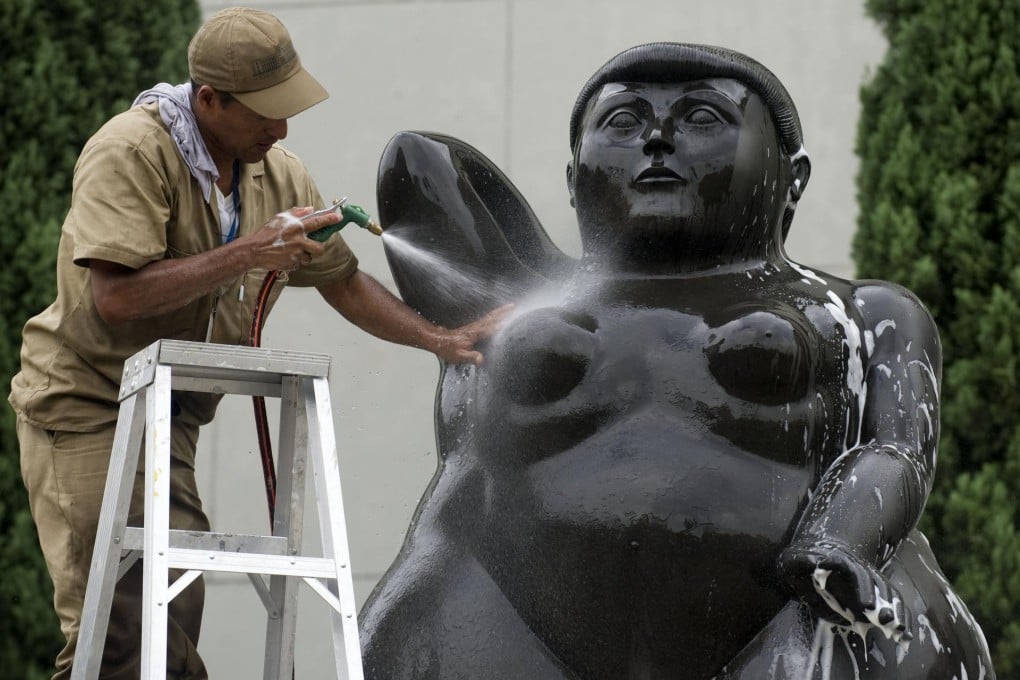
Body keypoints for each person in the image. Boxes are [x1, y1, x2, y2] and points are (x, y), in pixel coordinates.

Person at [358, 43, 995, 678]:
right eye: (623, 123)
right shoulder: (516, 295)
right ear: (573, 176)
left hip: (793, 624)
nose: (657, 139)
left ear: (791, 178)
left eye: (702, 118)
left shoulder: (865, 312)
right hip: (498, 621)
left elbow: (897, 450)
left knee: (886, 626)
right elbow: (418, 162)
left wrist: (840, 541)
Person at [8, 7, 505, 679]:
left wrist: (439, 339)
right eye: (265, 112)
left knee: (174, 607)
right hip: (86, 402)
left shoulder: (277, 171)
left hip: (168, 413)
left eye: (288, 107)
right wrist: (246, 252)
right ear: (208, 99)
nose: (282, 127)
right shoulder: (130, 151)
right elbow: (115, 297)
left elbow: (343, 280)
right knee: (121, 613)